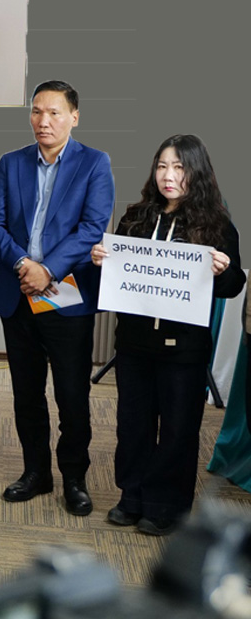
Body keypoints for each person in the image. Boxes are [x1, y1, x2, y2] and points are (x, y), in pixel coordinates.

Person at [90, 135, 243, 535]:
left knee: (178, 429)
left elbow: (233, 286)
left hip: (184, 350)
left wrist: (224, 270)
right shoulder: (135, 217)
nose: (168, 176)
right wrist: (100, 259)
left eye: (178, 167)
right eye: (162, 166)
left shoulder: (216, 225)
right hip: (134, 344)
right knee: (132, 424)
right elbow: (116, 275)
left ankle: (166, 506)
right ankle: (131, 496)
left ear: (196, 172)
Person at [0, 80, 114, 516]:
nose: (44, 121)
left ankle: (74, 477)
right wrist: (24, 264)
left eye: (54, 112)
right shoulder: (11, 162)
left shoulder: (94, 163)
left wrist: (48, 270)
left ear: (74, 117)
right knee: (26, 393)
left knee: (71, 395)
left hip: (66, 295)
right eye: (37, 111)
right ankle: (35, 471)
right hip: (19, 293)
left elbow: (92, 229)